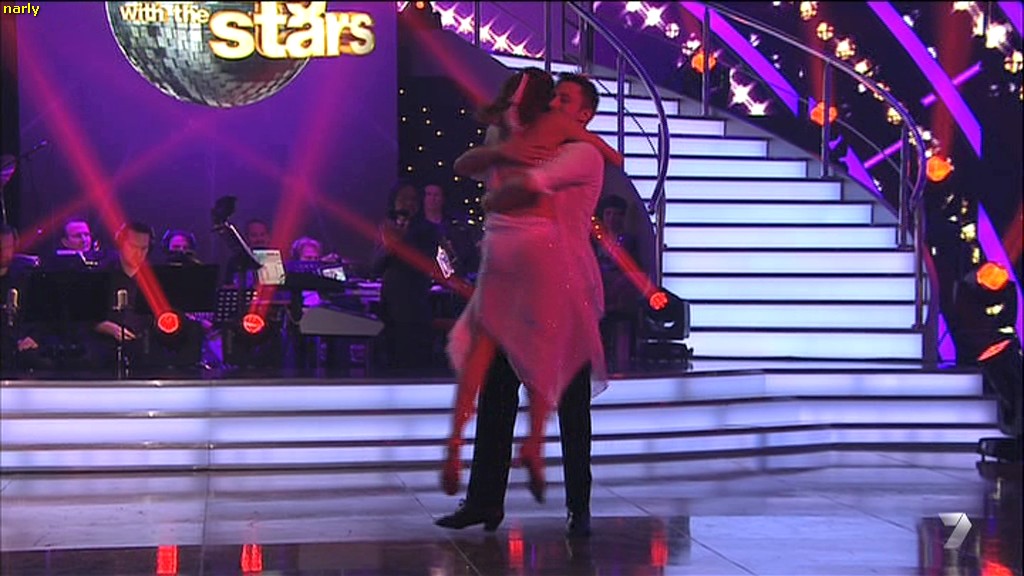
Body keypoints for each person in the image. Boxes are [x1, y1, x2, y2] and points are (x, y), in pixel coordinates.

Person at [441, 69, 614, 510]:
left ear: (585, 114)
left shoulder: (580, 155)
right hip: (517, 287)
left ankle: (578, 506)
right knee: (497, 392)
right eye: (553, 97)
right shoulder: (530, 142)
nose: (554, 105)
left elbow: (527, 187)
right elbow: (470, 164)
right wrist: (504, 147)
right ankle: (483, 504)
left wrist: (503, 180)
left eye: (565, 100)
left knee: (571, 403)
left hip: (566, 288)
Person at [372, 181, 440, 370]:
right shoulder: (386, 228)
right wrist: (389, 246)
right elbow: (375, 266)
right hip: (389, 302)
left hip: (415, 302)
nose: (409, 203)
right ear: (394, 202)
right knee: (390, 356)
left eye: (413, 199)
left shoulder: (428, 230)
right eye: (403, 199)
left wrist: (400, 240)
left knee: (413, 356)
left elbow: (423, 262)